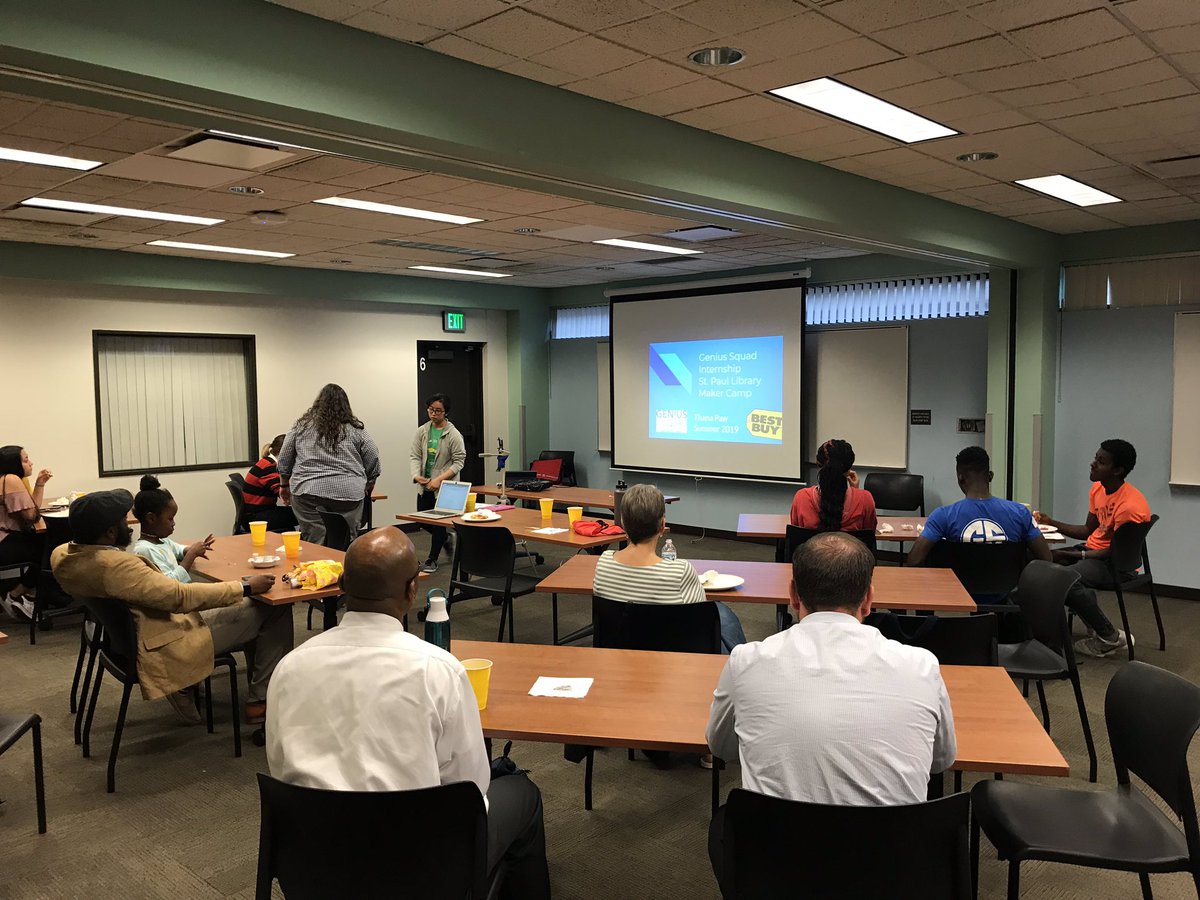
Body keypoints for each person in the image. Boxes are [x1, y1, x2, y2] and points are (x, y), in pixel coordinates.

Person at [266, 527, 550, 900]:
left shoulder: (289, 667)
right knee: (522, 793)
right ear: (412, 589)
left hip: (311, 866)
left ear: (341, 585)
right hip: (421, 871)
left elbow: (280, 766)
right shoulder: (438, 669)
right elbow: (471, 791)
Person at [705, 532, 956, 889]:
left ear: (792, 596)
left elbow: (721, 748)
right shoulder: (922, 665)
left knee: (724, 824)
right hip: (892, 871)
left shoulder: (746, 660)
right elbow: (940, 760)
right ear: (869, 599)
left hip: (778, 870)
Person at [51, 489, 293, 725]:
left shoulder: (64, 556)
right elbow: (179, 597)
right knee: (270, 607)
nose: (130, 525)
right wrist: (245, 587)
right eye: (124, 521)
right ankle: (259, 700)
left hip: (124, 639)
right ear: (111, 532)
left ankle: (254, 687)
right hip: (165, 640)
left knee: (251, 608)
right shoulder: (117, 567)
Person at [593, 483, 746, 654]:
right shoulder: (681, 571)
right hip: (674, 658)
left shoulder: (603, 564)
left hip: (620, 653)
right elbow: (700, 620)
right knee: (722, 614)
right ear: (662, 525)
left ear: (622, 522)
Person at [1035, 439, 1150, 658]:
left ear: (1118, 470)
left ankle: (1108, 636)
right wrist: (1052, 522)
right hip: (1093, 552)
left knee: (1062, 578)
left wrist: (1075, 555)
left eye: (1101, 462)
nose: (1093, 464)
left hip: (1117, 565)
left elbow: (1115, 554)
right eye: (1095, 458)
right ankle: (1092, 620)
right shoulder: (1098, 488)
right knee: (1039, 563)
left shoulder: (1130, 507)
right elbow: (1088, 530)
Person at [905, 446, 1051, 579]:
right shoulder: (1021, 513)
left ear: (960, 479)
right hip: (1007, 592)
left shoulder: (942, 516)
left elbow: (914, 561)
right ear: (990, 476)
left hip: (958, 593)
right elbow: (1046, 558)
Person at [279, 384, 380, 547]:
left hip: (308, 491)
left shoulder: (301, 426)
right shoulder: (355, 429)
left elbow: (284, 457)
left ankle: (315, 568)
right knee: (345, 540)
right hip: (348, 493)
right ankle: (345, 568)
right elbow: (372, 454)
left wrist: (284, 484)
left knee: (315, 540)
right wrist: (370, 481)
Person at [409, 392, 466, 573]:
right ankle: (446, 539)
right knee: (424, 519)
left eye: (438, 411)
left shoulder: (453, 434)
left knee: (439, 523)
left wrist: (440, 480)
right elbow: (415, 456)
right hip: (425, 484)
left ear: (446, 412)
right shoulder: (422, 431)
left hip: (446, 486)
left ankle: (432, 559)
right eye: (431, 410)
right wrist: (416, 475)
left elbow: (459, 462)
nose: (434, 414)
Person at [131, 475, 215, 583]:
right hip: (172, 597)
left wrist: (195, 548)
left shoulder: (162, 541)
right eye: (170, 519)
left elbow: (179, 550)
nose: (173, 523)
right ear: (151, 518)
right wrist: (191, 554)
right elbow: (170, 584)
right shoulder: (145, 550)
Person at [0, 445, 51, 620]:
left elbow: (31, 511)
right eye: (26, 459)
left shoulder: (6, 479)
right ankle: (15, 594)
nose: (31, 463)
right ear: (14, 464)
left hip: (7, 538)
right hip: (4, 541)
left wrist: (40, 484)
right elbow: (31, 516)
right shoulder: (11, 479)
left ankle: (30, 594)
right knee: (50, 551)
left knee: (44, 542)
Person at [789, 438, 877, 532]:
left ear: (818, 463)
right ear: (849, 468)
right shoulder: (865, 498)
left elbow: (796, 534)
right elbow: (868, 534)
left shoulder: (801, 497)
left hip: (812, 547)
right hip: (850, 547)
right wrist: (855, 491)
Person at [241, 434, 297, 533]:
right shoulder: (269, 467)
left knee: (300, 513)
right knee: (305, 514)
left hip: (255, 514)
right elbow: (286, 495)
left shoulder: (265, 463)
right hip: (256, 518)